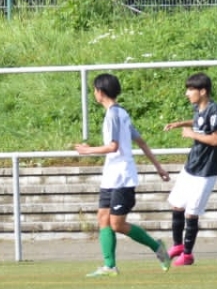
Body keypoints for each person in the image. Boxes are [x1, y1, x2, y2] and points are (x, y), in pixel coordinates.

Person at [73, 73, 171, 278]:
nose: (94, 93)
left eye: (94, 89)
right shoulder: (120, 113)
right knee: (103, 218)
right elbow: (141, 142)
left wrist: (87, 150)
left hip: (122, 176)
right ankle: (109, 266)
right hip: (111, 176)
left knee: (117, 224)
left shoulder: (114, 115)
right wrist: (159, 167)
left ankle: (157, 248)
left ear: (100, 92)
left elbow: (113, 146)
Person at [162, 72, 217, 267]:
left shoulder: (214, 110)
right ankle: (178, 246)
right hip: (192, 165)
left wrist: (191, 135)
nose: (187, 93)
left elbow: (216, 139)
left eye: (190, 89)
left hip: (206, 170)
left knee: (191, 213)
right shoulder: (199, 108)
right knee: (177, 205)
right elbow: (198, 123)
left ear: (203, 91)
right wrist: (180, 124)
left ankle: (187, 255)